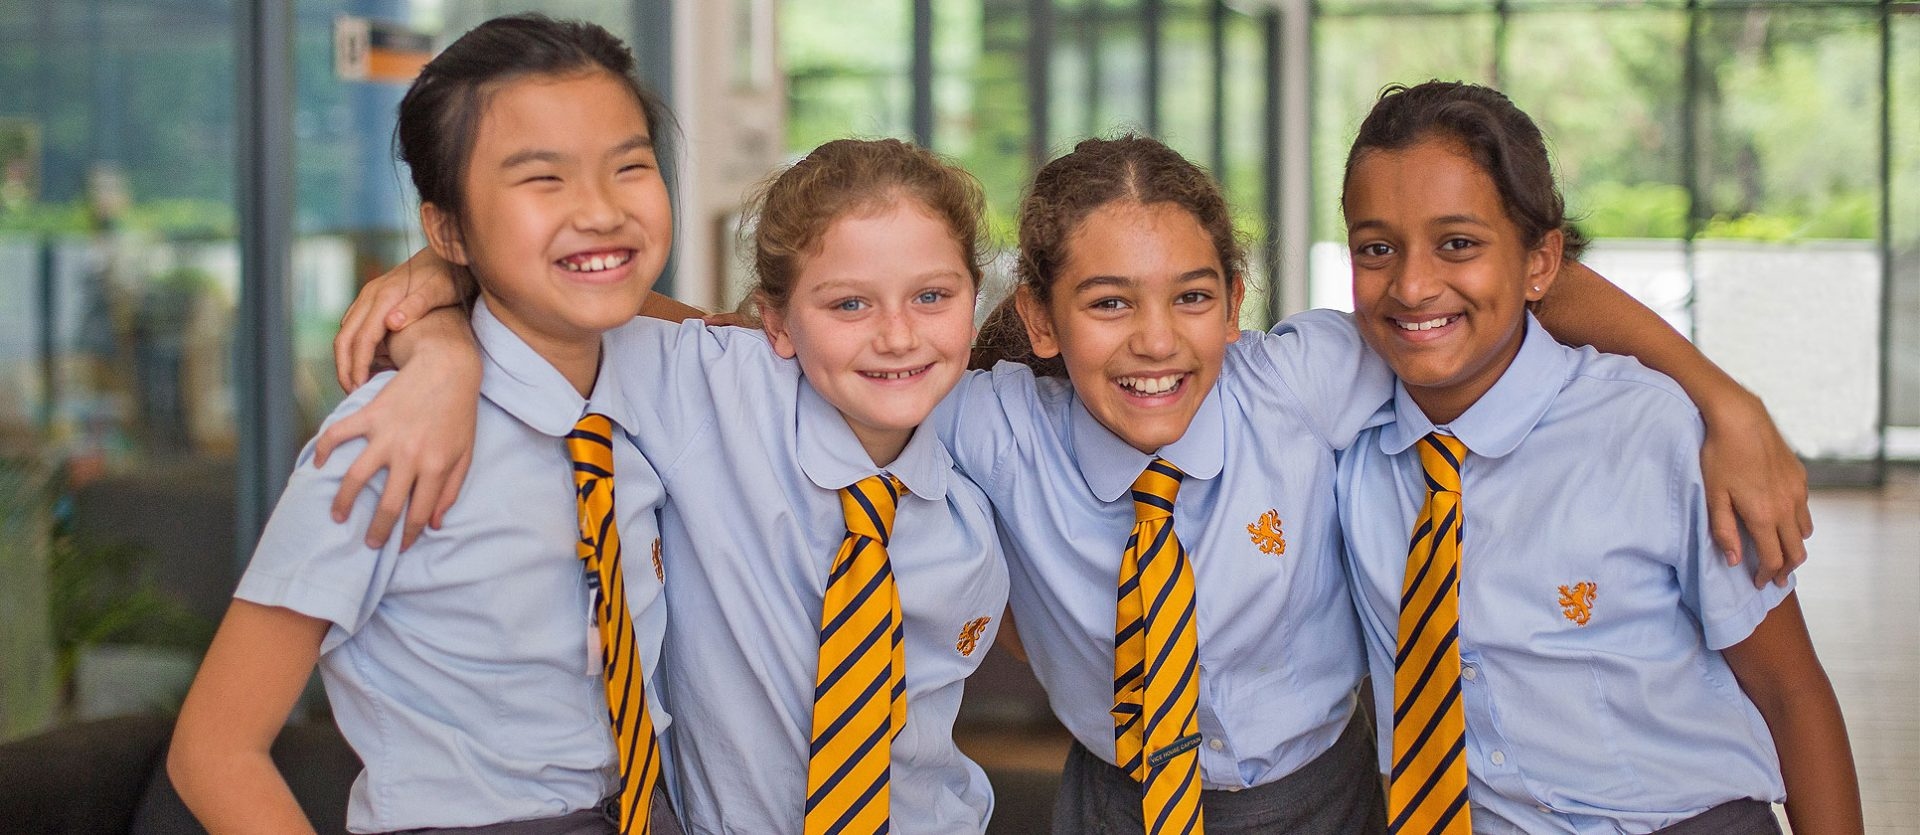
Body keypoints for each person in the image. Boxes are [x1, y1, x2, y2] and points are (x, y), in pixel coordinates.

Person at [332, 137, 1810, 835]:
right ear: (1038, 318)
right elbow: (705, 331)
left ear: (1238, 296)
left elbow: (1494, 289)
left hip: (1316, 794)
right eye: (1105, 303)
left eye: (1188, 299)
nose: (1155, 341)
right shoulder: (977, 413)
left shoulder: (1305, 376)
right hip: (1112, 799)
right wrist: (448, 296)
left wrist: (1723, 396)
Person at [323, 138, 1009, 833]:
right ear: (774, 321)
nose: (898, 336)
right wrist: (437, 304)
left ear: (973, 300)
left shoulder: (981, 473)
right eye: (850, 304)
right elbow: (545, 292)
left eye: (931, 296)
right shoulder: (715, 392)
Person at [167, 16, 682, 834]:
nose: (600, 209)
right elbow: (214, 750)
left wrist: (439, 316)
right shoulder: (383, 443)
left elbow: (747, 333)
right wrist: (442, 345)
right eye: (542, 180)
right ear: (447, 228)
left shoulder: (672, 382)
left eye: (630, 167)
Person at [1334, 81, 1861, 835]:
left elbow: (1790, 691)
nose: (1413, 285)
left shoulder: (1655, 436)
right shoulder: (1339, 431)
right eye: (1376, 248)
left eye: (1458, 243)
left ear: (1540, 262)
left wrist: (1727, 402)